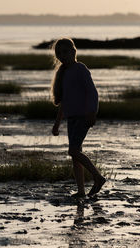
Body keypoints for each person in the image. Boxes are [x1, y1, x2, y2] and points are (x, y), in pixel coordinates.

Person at [50, 38, 106, 198]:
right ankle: (81, 191)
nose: (62, 55)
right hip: (71, 118)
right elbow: (63, 102)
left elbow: (93, 93)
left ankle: (98, 177)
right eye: (59, 53)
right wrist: (57, 124)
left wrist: (92, 112)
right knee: (76, 155)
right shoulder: (63, 73)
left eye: (65, 52)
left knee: (73, 151)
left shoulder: (80, 69)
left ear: (73, 52)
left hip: (83, 117)